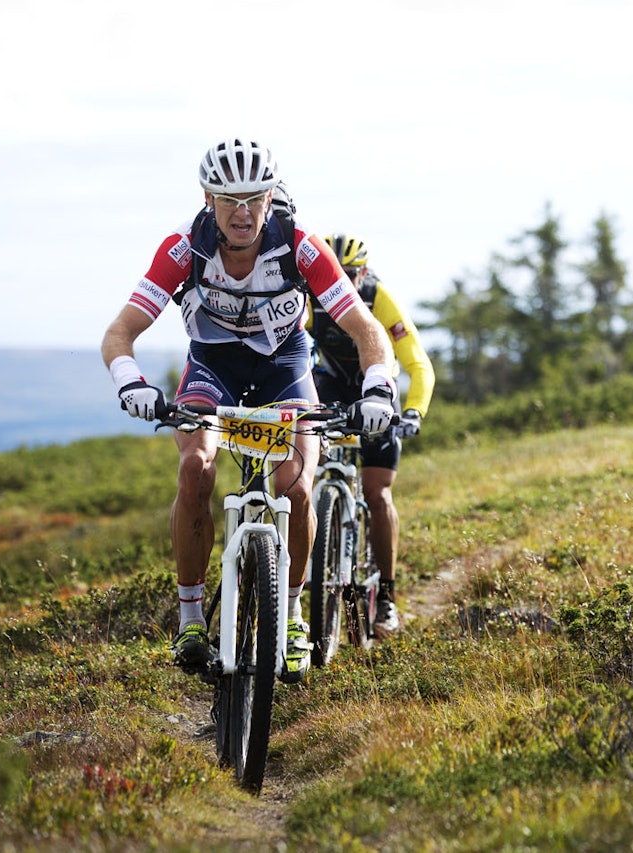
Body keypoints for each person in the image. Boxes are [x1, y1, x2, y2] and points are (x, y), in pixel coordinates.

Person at [100, 138, 396, 684]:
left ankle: (291, 615)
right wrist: (131, 383)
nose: (242, 212)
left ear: (269, 199)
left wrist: (378, 388)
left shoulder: (300, 245)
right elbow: (120, 333)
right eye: (229, 198)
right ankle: (191, 617)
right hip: (212, 369)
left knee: (298, 487)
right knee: (195, 468)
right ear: (208, 199)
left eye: (253, 198)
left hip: (285, 368)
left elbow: (366, 329)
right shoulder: (183, 250)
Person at [306, 233, 436, 637]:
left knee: (378, 494)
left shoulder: (380, 300)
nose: (339, 281)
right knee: (301, 473)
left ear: (362, 272)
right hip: (330, 384)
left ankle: (389, 599)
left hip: (375, 390)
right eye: (334, 272)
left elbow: (417, 361)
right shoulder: (311, 295)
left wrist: (413, 410)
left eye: (348, 274)